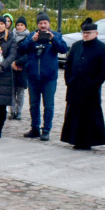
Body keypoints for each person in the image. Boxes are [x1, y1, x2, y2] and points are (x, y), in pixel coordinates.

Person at [60, 19, 105, 150]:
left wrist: (94, 84)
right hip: (75, 87)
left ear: (96, 33)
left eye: (88, 33)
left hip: (90, 89)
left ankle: (87, 141)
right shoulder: (77, 46)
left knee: (89, 116)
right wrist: (69, 80)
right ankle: (74, 139)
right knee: (74, 114)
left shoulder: (103, 49)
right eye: (84, 33)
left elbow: (104, 70)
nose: (85, 35)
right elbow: (69, 64)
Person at [16, 12, 67, 141]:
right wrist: (32, 41)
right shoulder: (32, 36)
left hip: (49, 77)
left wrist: (53, 39)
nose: (43, 25)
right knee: (34, 104)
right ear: (37, 24)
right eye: (40, 23)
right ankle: (35, 128)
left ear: (49, 24)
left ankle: (46, 130)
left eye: (45, 23)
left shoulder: (56, 35)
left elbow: (63, 49)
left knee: (48, 105)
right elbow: (21, 49)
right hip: (33, 76)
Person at [9, 16, 30, 120]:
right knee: (12, 90)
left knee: (20, 92)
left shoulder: (28, 37)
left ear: (25, 26)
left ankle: (19, 111)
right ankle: (12, 111)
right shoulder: (11, 36)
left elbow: (28, 54)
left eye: (22, 25)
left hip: (22, 68)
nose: (19, 27)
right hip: (11, 67)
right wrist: (12, 63)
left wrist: (18, 63)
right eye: (18, 25)